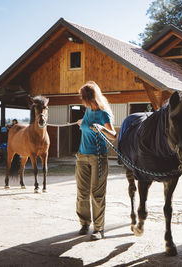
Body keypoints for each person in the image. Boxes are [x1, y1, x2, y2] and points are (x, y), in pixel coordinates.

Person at [76, 81, 116, 240]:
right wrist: (82, 124)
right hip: (81, 156)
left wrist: (101, 128)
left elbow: (113, 135)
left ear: (90, 97)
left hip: (98, 157)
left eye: (83, 97)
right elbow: (86, 128)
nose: (82, 100)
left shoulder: (103, 113)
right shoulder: (87, 111)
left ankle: (99, 229)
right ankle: (84, 223)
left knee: (97, 194)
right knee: (82, 193)